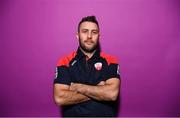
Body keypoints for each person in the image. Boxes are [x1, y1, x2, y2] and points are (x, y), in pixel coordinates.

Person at [53, 16, 121, 117]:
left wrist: (77, 87)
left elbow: (112, 94)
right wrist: (99, 90)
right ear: (77, 35)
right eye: (85, 31)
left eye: (94, 32)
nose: (89, 36)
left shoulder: (111, 61)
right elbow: (60, 98)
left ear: (99, 36)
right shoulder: (65, 61)